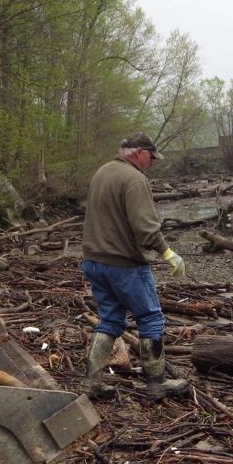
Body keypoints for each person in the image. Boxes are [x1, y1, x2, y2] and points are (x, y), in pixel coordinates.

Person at [81, 133, 189, 401]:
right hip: (124, 265)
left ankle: (91, 382)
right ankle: (156, 385)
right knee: (151, 319)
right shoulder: (135, 179)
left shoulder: (102, 172)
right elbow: (145, 227)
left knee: (110, 320)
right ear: (139, 153)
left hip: (94, 261)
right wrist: (168, 253)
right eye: (151, 157)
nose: (151, 162)